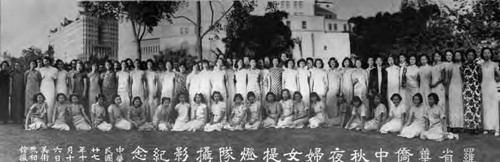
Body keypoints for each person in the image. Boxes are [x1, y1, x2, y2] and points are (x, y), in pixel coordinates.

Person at [460, 49, 483, 134]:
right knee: (468, 107)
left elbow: (480, 78)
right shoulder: (463, 66)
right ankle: (470, 127)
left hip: (476, 88)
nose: (470, 57)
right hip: (467, 88)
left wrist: (475, 84)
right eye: (469, 55)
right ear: (466, 56)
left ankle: (477, 127)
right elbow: (463, 77)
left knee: (476, 107)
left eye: (472, 55)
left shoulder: (478, 66)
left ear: (474, 56)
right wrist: (467, 85)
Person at [479, 48, 500, 136]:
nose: (486, 54)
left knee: (494, 107)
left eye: (488, 53)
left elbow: (499, 75)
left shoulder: (495, 64)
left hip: (492, 87)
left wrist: (495, 80)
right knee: (485, 107)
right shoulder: (480, 65)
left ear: (491, 54)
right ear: (482, 54)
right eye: (485, 53)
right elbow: (479, 77)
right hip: (484, 87)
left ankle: (497, 129)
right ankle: (486, 128)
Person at [446, 51, 464, 132]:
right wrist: (447, 89)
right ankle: (453, 125)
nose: (457, 57)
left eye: (459, 55)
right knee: (452, 107)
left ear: (461, 56)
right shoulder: (451, 66)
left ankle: (461, 126)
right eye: (456, 55)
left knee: (460, 106)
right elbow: (449, 78)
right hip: (452, 88)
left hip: (461, 87)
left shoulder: (463, 65)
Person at [39, 57, 59, 122]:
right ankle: (43, 120)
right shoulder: (40, 70)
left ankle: (50, 120)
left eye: (47, 61)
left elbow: (56, 81)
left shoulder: (54, 69)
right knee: (43, 103)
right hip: (43, 87)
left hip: (51, 87)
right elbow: (39, 80)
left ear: (49, 61)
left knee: (50, 103)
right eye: (44, 61)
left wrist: (55, 89)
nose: (45, 62)